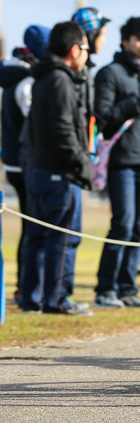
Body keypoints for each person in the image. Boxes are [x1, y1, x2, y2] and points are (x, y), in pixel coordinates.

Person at [19, 21, 93, 315]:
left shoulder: (43, 78)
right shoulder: (61, 81)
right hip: (60, 174)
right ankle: (57, 299)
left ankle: (31, 298)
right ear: (75, 50)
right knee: (63, 238)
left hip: (38, 170)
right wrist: (81, 163)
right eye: (85, 49)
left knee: (37, 238)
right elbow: (64, 130)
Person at [93, 17, 140, 309]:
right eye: (138, 39)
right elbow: (104, 117)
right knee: (122, 224)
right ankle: (105, 290)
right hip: (121, 161)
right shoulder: (110, 74)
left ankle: (127, 289)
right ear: (124, 41)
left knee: (139, 226)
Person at [0, 24, 51, 304]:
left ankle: (27, 286)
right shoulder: (27, 81)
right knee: (33, 228)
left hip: (14, 163)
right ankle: (26, 287)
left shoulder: (14, 75)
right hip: (27, 164)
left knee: (30, 227)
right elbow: (38, 122)